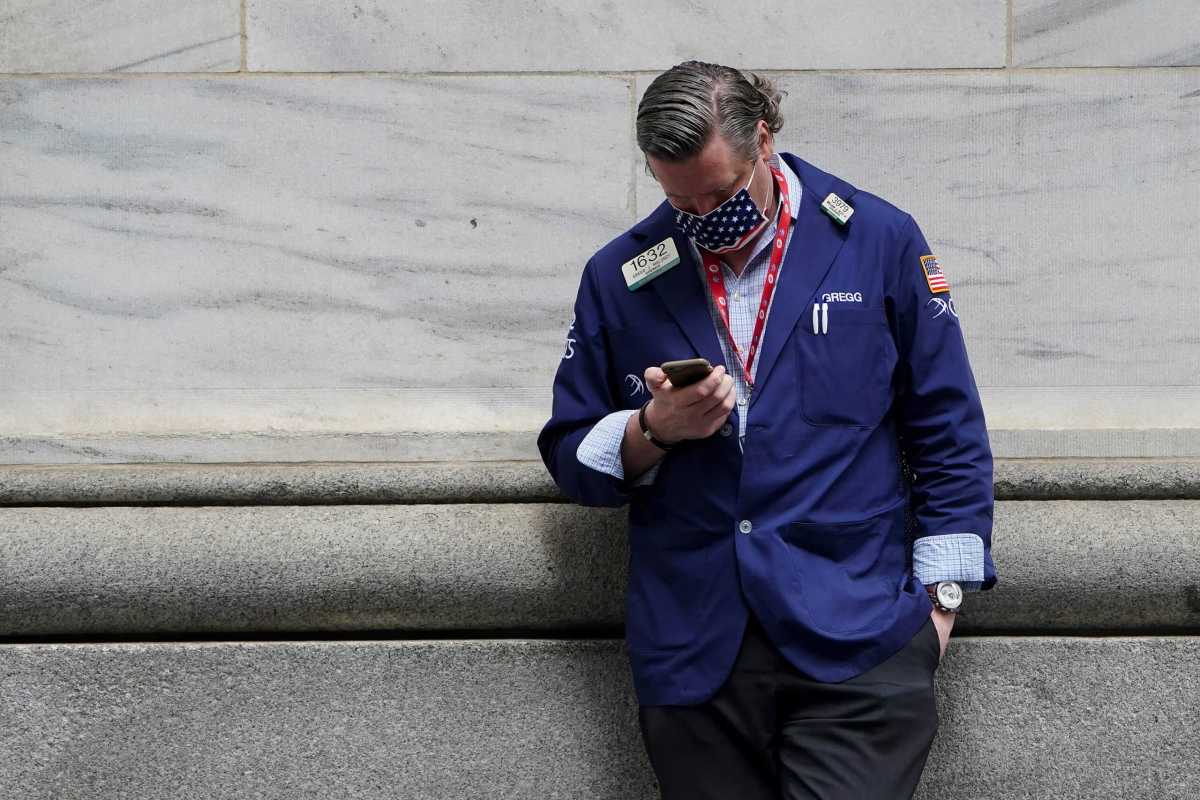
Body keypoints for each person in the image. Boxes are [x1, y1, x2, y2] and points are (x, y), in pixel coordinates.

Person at [537, 60, 997, 799]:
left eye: (717, 194)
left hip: (857, 636)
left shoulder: (877, 238)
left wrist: (938, 605)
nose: (700, 215)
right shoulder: (622, 272)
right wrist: (654, 428)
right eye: (677, 199)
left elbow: (946, 426)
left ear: (763, 136)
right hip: (694, 650)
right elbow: (570, 455)